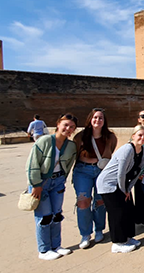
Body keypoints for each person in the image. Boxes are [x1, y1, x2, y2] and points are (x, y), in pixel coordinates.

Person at [26, 113, 78, 260]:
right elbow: (32, 164)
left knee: (56, 215)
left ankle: (56, 246)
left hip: (58, 182)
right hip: (41, 183)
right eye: (66, 125)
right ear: (58, 124)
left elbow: (68, 165)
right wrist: (36, 185)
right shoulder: (44, 141)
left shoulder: (70, 146)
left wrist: (62, 180)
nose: (68, 129)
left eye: (72, 127)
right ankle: (43, 250)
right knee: (44, 217)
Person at [96, 125, 144, 253]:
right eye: (140, 135)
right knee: (117, 213)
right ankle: (117, 243)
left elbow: (137, 172)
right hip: (108, 184)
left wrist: (128, 189)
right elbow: (120, 173)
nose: (142, 138)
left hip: (123, 185)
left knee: (129, 209)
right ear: (133, 136)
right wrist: (123, 190)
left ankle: (128, 237)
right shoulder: (127, 149)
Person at [73, 108, 118, 249]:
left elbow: (110, 153)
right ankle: (85, 234)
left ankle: (99, 229)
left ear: (104, 121)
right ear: (90, 119)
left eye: (100, 118)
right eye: (95, 118)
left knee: (100, 201)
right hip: (83, 171)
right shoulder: (80, 137)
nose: (97, 120)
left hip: (102, 171)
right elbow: (74, 154)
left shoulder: (110, 137)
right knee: (83, 201)